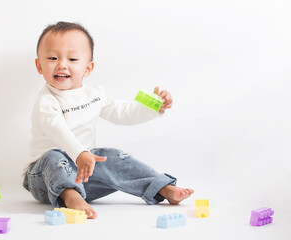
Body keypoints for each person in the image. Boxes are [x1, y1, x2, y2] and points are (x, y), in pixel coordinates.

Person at [23, 21, 194, 219]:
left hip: (83, 174)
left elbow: (123, 113)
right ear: (39, 65)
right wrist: (80, 153)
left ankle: (160, 187)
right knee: (54, 156)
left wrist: (155, 107)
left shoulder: (95, 95)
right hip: (44, 179)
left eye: (72, 58)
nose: (62, 64)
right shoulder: (46, 100)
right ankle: (70, 196)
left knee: (111, 156)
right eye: (53, 58)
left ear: (88, 68)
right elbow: (57, 129)